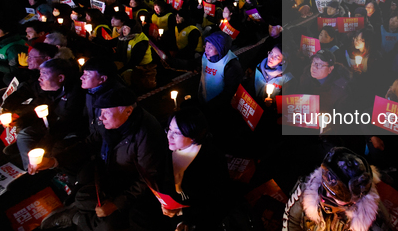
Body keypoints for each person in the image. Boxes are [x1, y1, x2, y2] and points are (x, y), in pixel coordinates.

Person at [34, 87, 168, 231]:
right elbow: (90, 143)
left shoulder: (146, 136)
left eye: (106, 113)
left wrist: (116, 204)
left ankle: (76, 217)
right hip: (109, 172)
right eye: (101, 112)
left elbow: (146, 180)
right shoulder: (111, 122)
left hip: (130, 186)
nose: (100, 117)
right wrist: (54, 161)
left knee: (107, 226)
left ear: (128, 111)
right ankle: (78, 209)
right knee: (83, 196)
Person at [154, 107, 228, 230]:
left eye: (176, 133)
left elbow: (216, 202)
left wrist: (183, 215)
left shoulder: (212, 159)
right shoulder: (168, 149)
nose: (169, 136)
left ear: (194, 136)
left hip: (201, 217)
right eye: (169, 130)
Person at [283, 147, 390, 231]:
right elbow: (291, 219)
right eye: (327, 186)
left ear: (354, 199)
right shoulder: (306, 188)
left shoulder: (371, 222)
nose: (327, 196)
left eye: (339, 194)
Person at [197, 31, 243, 122]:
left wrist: (209, 106)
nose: (206, 50)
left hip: (219, 107)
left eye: (210, 47)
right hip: (204, 98)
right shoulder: (206, 56)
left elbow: (228, 92)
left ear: (220, 48)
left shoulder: (231, 65)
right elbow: (191, 64)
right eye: (206, 46)